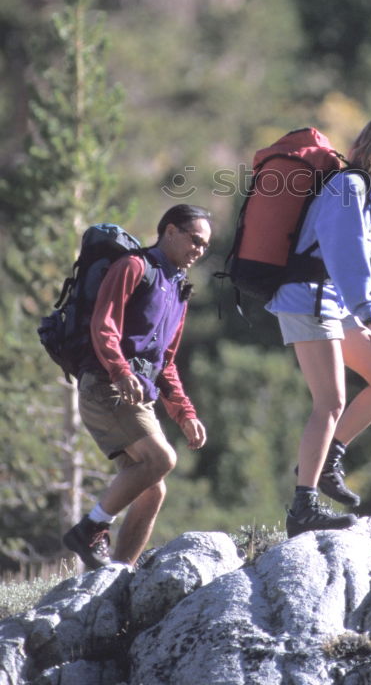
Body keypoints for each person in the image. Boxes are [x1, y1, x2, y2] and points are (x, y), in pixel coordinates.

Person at [266, 112, 371, 537]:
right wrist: (369, 311)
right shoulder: (349, 187)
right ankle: (303, 507)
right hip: (307, 297)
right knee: (330, 402)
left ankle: (328, 460)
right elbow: (345, 257)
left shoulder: (368, 193)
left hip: (329, 300)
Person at [63, 204, 212, 570]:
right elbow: (104, 326)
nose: (199, 250)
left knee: (153, 489)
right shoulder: (133, 267)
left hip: (136, 394)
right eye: (195, 239)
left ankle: (116, 573)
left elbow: (167, 363)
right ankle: (91, 528)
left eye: (206, 245)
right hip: (106, 383)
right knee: (162, 460)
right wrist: (119, 371)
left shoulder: (178, 289)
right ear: (171, 231)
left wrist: (185, 413)